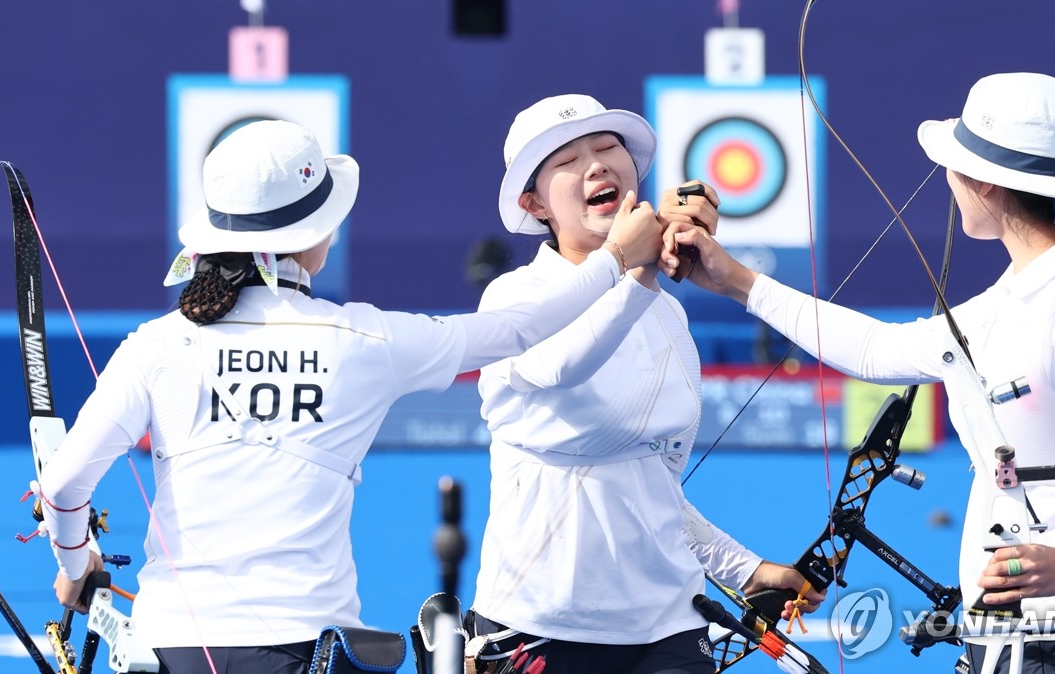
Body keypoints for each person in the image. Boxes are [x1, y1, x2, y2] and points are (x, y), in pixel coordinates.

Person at [36, 119, 664, 674]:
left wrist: (75, 562)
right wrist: (614, 258)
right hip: (307, 650)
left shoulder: (157, 343)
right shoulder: (364, 339)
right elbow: (518, 328)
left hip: (166, 646)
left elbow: (64, 486)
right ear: (313, 234)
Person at [663, 72, 1055, 673]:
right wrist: (731, 280)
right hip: (1005, 646)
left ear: (984, 182)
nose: (946, 181)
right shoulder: (1011, 300)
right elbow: (874, 350)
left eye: (954, 164)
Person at [467, 94, 826, 674]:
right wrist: (637, 272)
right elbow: (563, 365)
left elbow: (648, 481)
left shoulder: (663, 309)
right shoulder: (513, 297)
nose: (597, 165)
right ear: (534, 203)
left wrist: (745, 570)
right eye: (567, 159)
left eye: (608, 148)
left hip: (670, 622)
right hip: (540, 620)